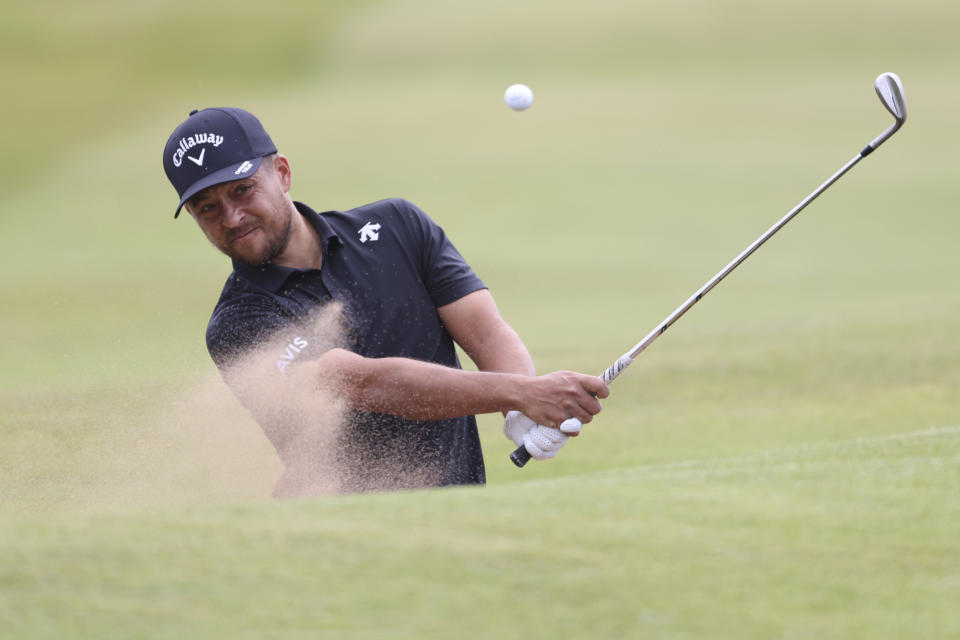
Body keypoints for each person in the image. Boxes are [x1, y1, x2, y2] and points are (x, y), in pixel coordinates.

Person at [162, 107, 609, 495]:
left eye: (242, 190)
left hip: (465, 509)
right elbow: (355, 383)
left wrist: (520, 406)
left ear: (281, 173)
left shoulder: (397, 226)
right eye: (208, 209)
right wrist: (520, 392)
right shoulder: (240, 323)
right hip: (348, 533)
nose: (232, 217)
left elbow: (486, 331)